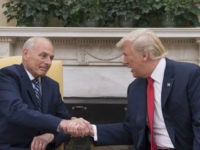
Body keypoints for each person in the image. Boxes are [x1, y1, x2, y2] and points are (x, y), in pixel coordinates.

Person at [81, 29, 200, 150]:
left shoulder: (189, 75)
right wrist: (91, 130)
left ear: (144, 55)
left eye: (126, 55)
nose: (124, 61)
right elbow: (131, 130)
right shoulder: (135, 88)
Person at [0, 37, 91, 150]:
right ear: (26, 54)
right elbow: (15, 110)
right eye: (43, 56)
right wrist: (61, 123)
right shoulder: (7, 76)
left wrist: (51, 136)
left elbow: (65, 125)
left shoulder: (52, 85)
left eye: (51, 58)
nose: (48, 62)